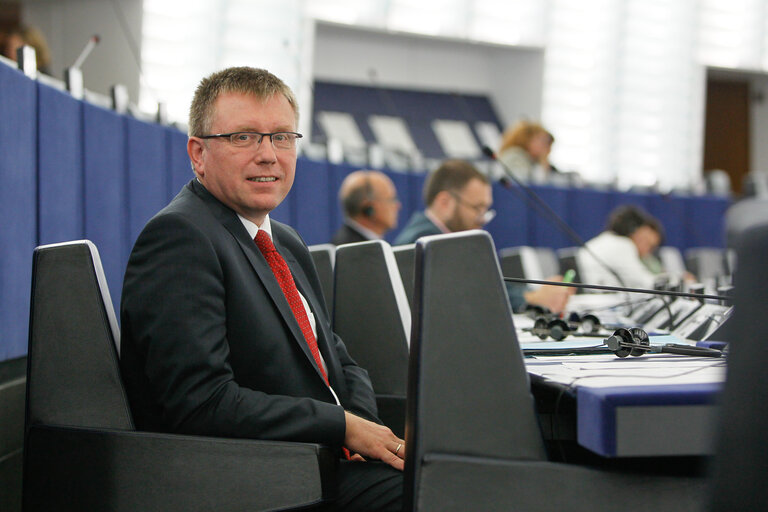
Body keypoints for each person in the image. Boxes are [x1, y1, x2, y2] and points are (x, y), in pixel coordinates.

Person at [120, 67, 403, 511]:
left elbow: (340, 362)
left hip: (331, 463)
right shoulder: (180, 238)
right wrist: (341, 428)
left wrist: (363, 428)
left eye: (282, 137)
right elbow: (201, 404)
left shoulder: (283, 240)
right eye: (243, 137)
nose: (268, 155)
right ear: (198, 153)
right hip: (262, 481)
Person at [394, 159, 572, 314]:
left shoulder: (446, 238)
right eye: (477, 208)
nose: (483, 219)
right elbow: (469, 297)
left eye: (486, 209)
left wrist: (537, 292)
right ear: (444, 202)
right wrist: (532, 298)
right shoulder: (424, 241)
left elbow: (488, 284)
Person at [578, 204, 664, 289]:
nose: (647, 252)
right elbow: (646, 282)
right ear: (633, 231)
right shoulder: (623, 245)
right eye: (647, 243)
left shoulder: (599, 242)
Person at [332, 170, 401, 245]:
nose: (398, 206)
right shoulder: (357, 251)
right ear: (369, 208)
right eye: (391, 200)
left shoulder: (346, 245)